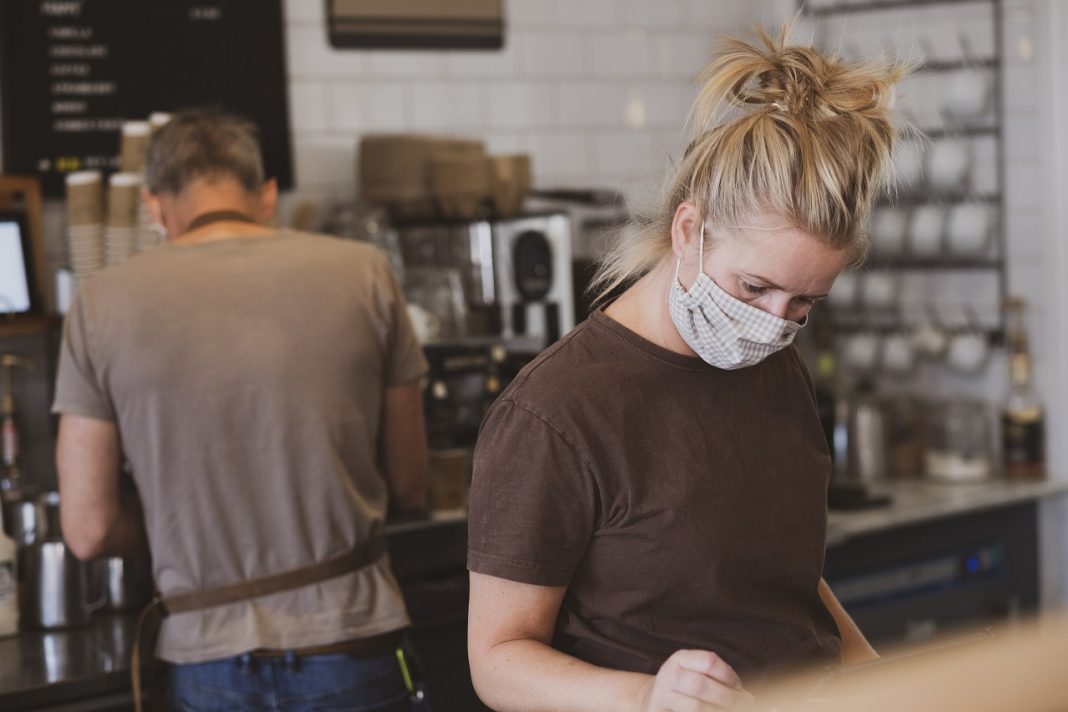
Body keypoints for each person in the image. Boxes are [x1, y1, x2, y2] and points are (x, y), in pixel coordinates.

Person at [466, 23, 908, 712]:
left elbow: (777, 580)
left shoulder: (774, 366)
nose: (772, 322)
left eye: (804, 304)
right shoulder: (557, 412)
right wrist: (649, 696)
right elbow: (497, 661)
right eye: (754, 289)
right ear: (687, 232)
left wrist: (874, 676)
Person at [53, 108, 429, 711]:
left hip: (206, 661)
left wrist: (186, 528)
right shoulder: (365, 274)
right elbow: (411, 483)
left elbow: (89, 528)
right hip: (353, 638)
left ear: (154, 209)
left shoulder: (99, 303)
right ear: (268, 196)